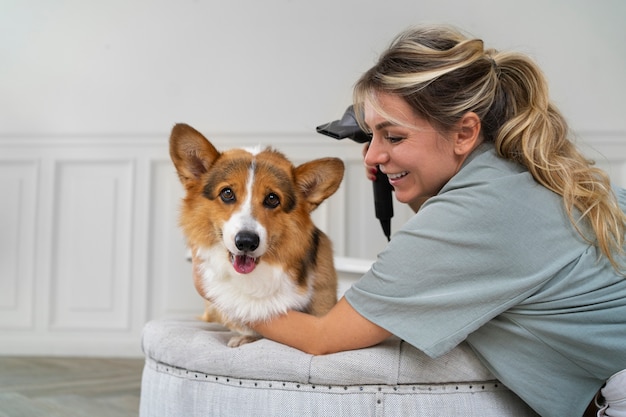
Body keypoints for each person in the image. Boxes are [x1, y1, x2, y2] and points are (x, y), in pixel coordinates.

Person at [193, 25, 626, 417]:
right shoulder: (519, 174)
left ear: (464, 133)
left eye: (393, 136)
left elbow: (322, 336)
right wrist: (413, 183)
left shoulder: (472, 216)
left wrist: (214, 286)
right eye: (371, 135)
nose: (372, 156)